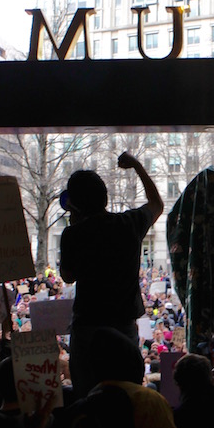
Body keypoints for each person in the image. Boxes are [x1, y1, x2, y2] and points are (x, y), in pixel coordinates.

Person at [59, 151, 163, 396]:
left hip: (88, 329)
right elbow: (157, 205)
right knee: (127, 395)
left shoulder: (73, 234)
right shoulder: (128, 224)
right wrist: (137, 166)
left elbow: (67, 275)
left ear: (74, 204)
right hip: (123, 327)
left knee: (87, 395)